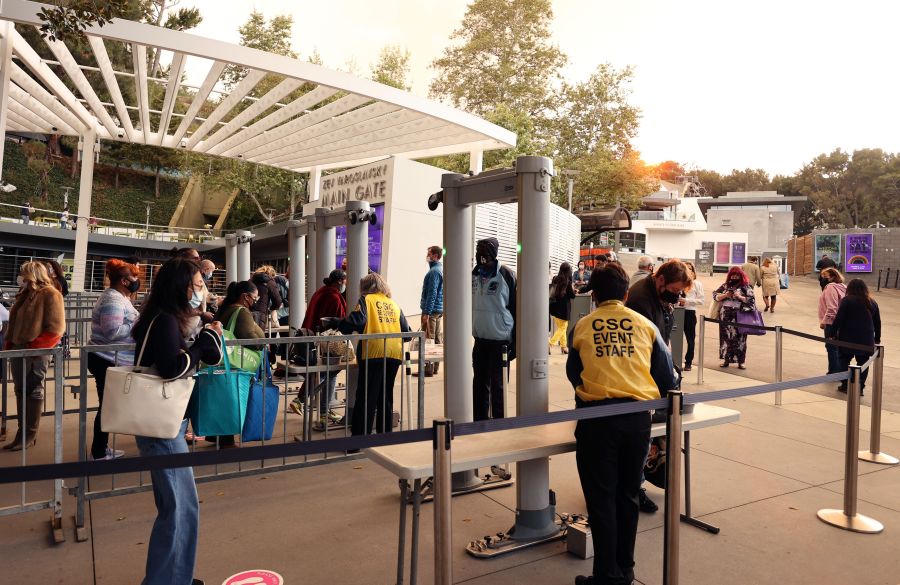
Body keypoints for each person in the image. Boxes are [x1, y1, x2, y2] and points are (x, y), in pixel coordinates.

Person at [567, 263, 679, 585]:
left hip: (597, 422)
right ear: (626, 294)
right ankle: (625, 571)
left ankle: (606, 577)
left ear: (594, 295)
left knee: (601, 500)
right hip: (636, 423)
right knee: (628, 496)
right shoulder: (646, 326)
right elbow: (666, 376)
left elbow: (575, 374)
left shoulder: (583, 327)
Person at [130, 258, 223, 585]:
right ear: (180, 287)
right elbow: (173, 367)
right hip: (161, 428)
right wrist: (201, 346)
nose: (202, 291)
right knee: (179, 511)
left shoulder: (159, 318)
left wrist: (202, 342)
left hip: (160, 425)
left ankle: (174, 578)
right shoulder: (166, 320)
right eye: (198, 286)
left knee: (178, 509)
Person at [331, 272, 410, 436]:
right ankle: (385, 437)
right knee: (385, 396)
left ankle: (359, 439)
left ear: (365, 288)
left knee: (366, 397)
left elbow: (356, 321)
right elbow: (407, 333)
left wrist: (338, 323)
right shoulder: (394, 304)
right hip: (394, 354)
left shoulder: (366, 300)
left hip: (373, 353)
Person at [2, 261, 65, 451]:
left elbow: (56, 328)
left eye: (23, 272)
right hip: (19, 349)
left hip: (36, 352)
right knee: (20, 390)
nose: (20, 275)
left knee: (33, 389)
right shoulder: (25, 293)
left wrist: (34, 347)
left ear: (33, 274)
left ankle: (29, 434)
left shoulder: (51, 294)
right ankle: (22, 434)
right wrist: (11, 343)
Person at [86, 259, 140, 460]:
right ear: (125, 281)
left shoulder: (119, 297)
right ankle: (99, 451)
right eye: (134, 277)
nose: (137, 280)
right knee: (107, 407)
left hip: (109, 359)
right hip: (106, 359)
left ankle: (101, 448)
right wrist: (137, 325)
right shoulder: (113, 300)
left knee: (107, 406)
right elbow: (112, 332)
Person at [207, 281, 265, 448]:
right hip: (235, 364)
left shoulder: (225, 308)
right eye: (255, 297)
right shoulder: (241, 311)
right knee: (232, 400)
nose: (256, 300)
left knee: (221, 398)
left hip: (219, 361)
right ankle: (226, 440)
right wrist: (262, 343)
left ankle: (216, 433)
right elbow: (249, 337)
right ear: (245, 297)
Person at [289, 269, 348, 425]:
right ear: (339, 281)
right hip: (325, 343)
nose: (344, 285)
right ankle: (309, 404)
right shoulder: (334, 297)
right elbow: (339, 320)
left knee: (324, 373)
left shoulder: (320, 292)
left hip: (312, 338)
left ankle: (322, 410)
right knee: (327, 373)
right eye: (344, 282)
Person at [471, 237, 516, 421]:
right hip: (480, 339)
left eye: (485, 252)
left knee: (499, 387)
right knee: (479, 384)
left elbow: (516, 308)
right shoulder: (473, 275)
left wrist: (517, 342)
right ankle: (479, 423)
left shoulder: (506, 275)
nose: (482, 257)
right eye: (479, 252)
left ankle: (499, 425)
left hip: (501, 341)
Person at [626, 259, 692, 345]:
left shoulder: (659, 295)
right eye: (674, 290)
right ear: (661, 279)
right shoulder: (641, 300)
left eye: (679, 291)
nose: (677, 295)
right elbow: (643, 343)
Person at [832, 278, 880, 396]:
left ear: (850, 288)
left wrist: (832, 333)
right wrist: (877, 338)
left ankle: (846, 385)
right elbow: (877, 322)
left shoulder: (847, 300)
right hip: (866, 339)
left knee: (843, 360)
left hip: (847, 338)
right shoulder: (872, 302)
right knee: (863, 363)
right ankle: (860, 388)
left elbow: (839, 318)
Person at [712, 267, 756, 369]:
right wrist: (725, 295)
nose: (734, 277)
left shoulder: (746, 287)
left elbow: (751, 300)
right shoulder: (725, 286)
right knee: (725, 337)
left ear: (741, 276)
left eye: (737, 275)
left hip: (740, 315)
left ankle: (741, 361)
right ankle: (726, 360)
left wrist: (740, 297)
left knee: (740, 338)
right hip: (725, 315)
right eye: (732, 275)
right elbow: (715, 295)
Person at [418, 245, 444, 377]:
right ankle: (434, 368)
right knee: (437, 338)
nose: (427, 256)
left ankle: (429, 369)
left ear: (435, 256)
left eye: (429, 253)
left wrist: (426, 313)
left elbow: (432, 293)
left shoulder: (434, 272)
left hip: (432, 310)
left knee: (429, 338)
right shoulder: (440, 269)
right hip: (438, 309)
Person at [818, 268, 847, 385]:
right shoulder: (843, 287)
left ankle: (834, 372)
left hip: (831, 323)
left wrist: (824, 321)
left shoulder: (830, 288)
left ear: (831, 277)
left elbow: (832, 308)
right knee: (837, 348)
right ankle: (839, 371)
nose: (821, 278)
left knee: (831, 347)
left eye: (824, 276)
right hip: (841, 322)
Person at [680, 261, 705, 371]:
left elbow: (701, 301)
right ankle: (674, 361)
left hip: (690, 313)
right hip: (677, 312)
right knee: (674, 339)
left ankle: (688, 362)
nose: (688, 270)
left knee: (690, 339)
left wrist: (686, 300)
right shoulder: (678, 282)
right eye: (686, 268)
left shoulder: (697, 284)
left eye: (690, 268)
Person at [549, 262, 576, 354]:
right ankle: (549, 344)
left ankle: (564, 347)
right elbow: (572, 296)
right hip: (564, 308)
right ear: (568, 271)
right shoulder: (567, 282)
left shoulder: (555, 279)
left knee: (562, 327)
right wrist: (574, 290)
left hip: (554, 307)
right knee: (563, 327)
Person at [250, 265, 283, 329]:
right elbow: (278, 302)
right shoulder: (270, 282)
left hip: (248, 312)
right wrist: (271, 308)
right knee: (259, 335)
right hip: (261, 315)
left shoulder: (251, 280)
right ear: (271, 274)